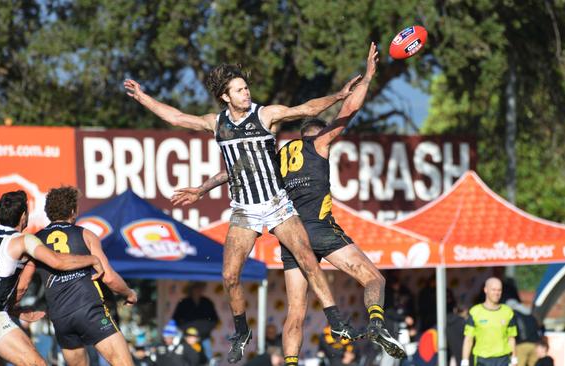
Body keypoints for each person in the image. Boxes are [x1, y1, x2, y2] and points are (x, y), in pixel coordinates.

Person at [171, 42, 405, 364]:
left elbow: (234, 172)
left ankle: (291, 362)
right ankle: (377, 323)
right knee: (373, 278)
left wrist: (201, 188)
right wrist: (367, 77)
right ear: (316, 135)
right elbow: (347, 112)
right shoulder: (318, 145)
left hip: (287, 234)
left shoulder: (277, 156)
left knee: (296, 310)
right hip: (318, 230)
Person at [125, 59, 364, 363]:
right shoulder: (217, 122)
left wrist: (339, 96)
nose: (246, 93)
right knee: (229, 275)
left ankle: (336, 320)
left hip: (277, 204)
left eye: (246, 88)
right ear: (225, 96)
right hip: (244, 209)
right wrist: (143, 96)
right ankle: (242, 331)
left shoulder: (265, 115)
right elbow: (176, 117)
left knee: (307, 258)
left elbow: (306, 109)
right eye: (239, 90)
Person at [0, 190, 104, 366]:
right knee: (37, 363)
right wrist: (92, 259)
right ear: (24, 216)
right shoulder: (23, 240)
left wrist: (15, 311)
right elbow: (56, 262)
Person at [26, 186, 138, 366]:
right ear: (73, 211)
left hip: (61, 317)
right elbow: (108, 278)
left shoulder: (34, 241)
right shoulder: (85, 234)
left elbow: (23, 284)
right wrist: (129, 293)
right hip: (89, 310)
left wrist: (15, 308)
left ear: (48, 211)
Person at [462, 277, 518, 366]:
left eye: (499, 290)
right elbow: (468, 339)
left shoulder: (508, 312)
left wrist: (514, 359)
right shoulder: (475, 312)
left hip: (503, 359)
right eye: (493, 290)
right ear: (486, 290)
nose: (497, 293)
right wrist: (464, 361)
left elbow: (511, 338)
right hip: (482, 360)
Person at [172, 282, 219, 360]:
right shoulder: (183, 302)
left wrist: (204, 330)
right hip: (187, 338)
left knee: (208, 359)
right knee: (183, 358)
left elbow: (215, 319)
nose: (198, 290)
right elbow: (175, 319)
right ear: (191, 290)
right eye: (196, 288)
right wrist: (187, 331)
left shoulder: (207, 302)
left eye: (200, 288)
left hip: (203, 337)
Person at [506, 299, 540, 366]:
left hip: (521, 345)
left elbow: (514, 329)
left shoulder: (514, 314)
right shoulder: (529, 313)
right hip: (535, 344)